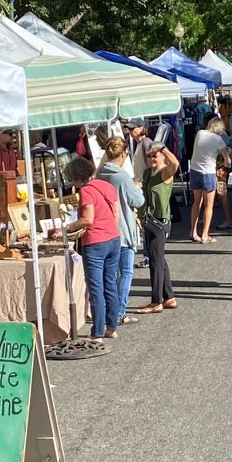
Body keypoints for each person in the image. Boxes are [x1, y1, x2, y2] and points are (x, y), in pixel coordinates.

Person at [63, 156, 122, 343]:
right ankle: (111, 327)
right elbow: (115, 213)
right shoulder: (106, 186)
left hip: (95, 242)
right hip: (113, 238)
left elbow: (88, 218)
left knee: (96, 288)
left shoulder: (86, 191)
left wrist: (67, 227)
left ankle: (97, 332)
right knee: (110, 284)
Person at [96, 136, 146, 329]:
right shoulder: (122, 176)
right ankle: (119, 312)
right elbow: (137, 201)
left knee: (111, 275)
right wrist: (138, 189)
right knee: (126, 272)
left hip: (106, 229)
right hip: (123, 228)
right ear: (124, 154)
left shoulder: (101, 173)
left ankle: (111, 310)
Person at [132, 143, 181, 313]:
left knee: (155, 261)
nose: (152, 158)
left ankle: (156, 302)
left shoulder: (164, 172)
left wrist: (164, 148)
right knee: (158, 259)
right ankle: (169, 297)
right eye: (149, 156)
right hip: (148, 220)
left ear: (162, 157)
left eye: (155, 155)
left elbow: (176, 164)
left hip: (160, 221)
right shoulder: (148, 173)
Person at [187, 117, 227, 243]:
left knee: (196, 202)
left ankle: (193, 232)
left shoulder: (200, 133)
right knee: (208, 206)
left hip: (194, 170)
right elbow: (227, 159)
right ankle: (205, 235)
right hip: (208, 172)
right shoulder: (218, 139)